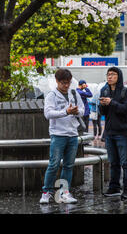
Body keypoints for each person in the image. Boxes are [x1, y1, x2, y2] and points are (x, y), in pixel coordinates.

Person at [40, 68, 84, 204]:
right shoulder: (51, 95)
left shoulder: (74, 93)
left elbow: (82, 110)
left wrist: (76, 112)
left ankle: (64, 192)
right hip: (58, 134)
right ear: (57, 81)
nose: (66, 85)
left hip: (72, 134)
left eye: (68, 83)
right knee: (53, 164)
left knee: (68, 165)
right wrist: (66, 111)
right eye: (63, 83)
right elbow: (48, 114)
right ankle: (46, 192)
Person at [99, 67, 127, 199]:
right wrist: (102, 105)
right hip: (109, 132)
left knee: (125, 162)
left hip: (122, 132)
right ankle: (114, 188)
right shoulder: (105, 90)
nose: (109, 77)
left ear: (118, 76)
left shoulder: (126, 91)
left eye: (113, 74)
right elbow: (102, 113)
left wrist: (111, 102)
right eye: (108, 75)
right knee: (113, 162)